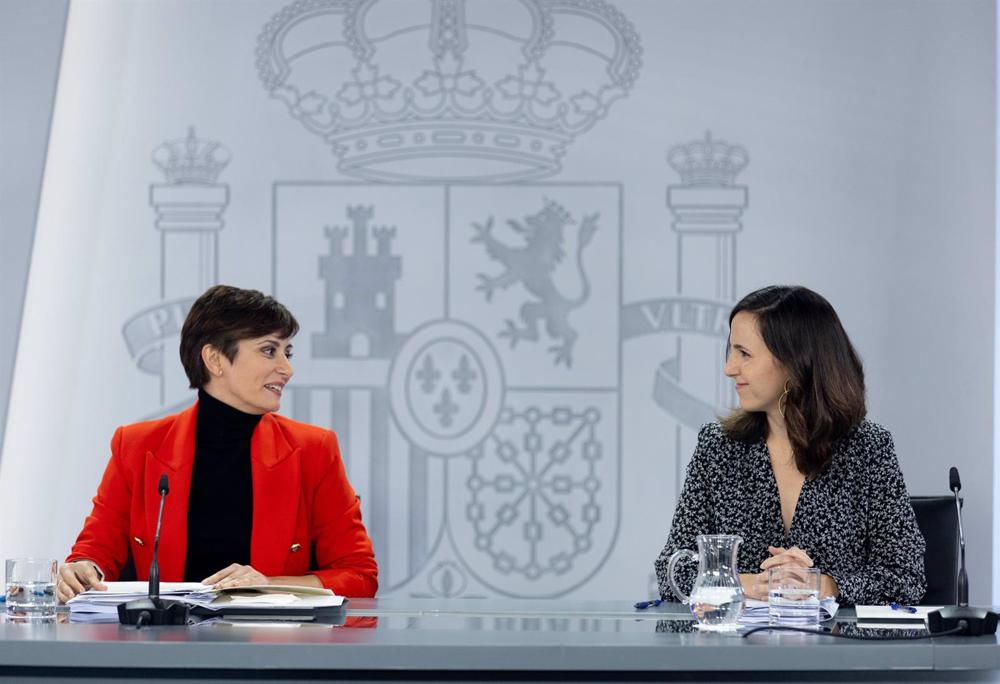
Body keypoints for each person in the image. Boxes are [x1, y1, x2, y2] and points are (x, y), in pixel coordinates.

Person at [56, 285, 378, 602]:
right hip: (161, 647)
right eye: (269, 350)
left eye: (287, 352)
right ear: (214, 359)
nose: (287, 369)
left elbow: (359, 575)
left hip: (272, 648)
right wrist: (82, 570)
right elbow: (95, 551)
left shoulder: (313, 449)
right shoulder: (137, 446)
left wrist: (269, 586)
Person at [654, 285, 925, 605]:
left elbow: (907, 577)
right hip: (738, 651)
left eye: (744, 354)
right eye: (731, 351)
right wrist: (747, 584)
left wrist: (826, 586)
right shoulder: (718, 447)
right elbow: (672, 570)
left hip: (841, 651)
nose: (729, 368)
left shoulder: (869, 449)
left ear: (794, 363)